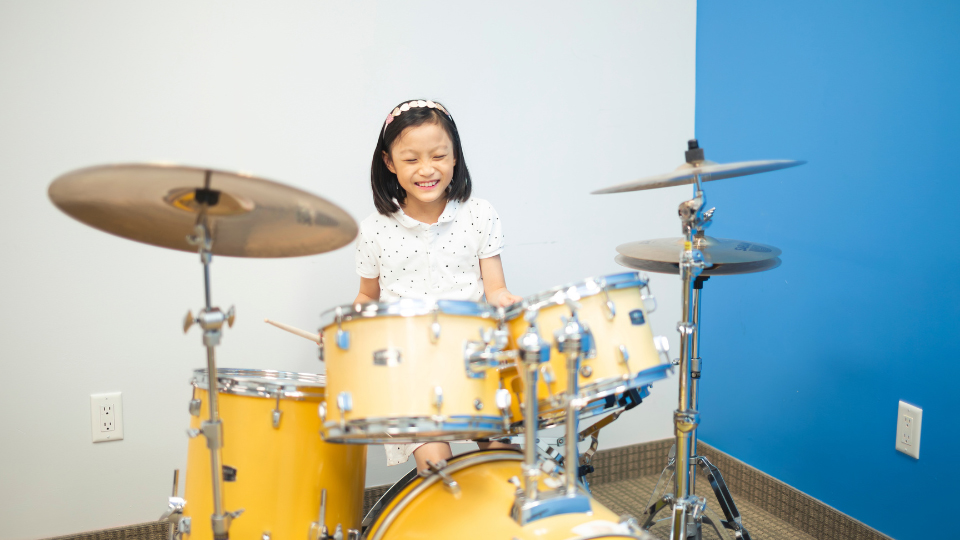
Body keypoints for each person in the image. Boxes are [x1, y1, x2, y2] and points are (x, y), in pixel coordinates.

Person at [353, 99, 520, 472]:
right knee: (436, 468)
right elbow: (367, 295)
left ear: (455, 157)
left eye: (439, 155)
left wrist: (505, 299)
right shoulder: (374, 229)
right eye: (411, 159)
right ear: (389, 162)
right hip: (408, 366)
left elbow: (494, 288)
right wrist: (350, 325)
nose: (427, 169)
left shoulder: (479, 214)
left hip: (473, 359)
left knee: (503, 461)